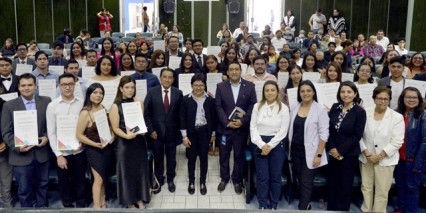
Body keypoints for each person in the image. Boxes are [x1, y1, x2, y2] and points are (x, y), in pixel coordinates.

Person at [1, 73, 51, 207]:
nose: (27, 88)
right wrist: (17, 146)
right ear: (18, 87)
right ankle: (26, 209)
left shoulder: (46, 101)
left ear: (36, 86)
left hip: (42, 152)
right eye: (23, 85)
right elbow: (6, 132)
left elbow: (52, 124)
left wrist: (46, 137)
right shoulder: (9, 105)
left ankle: (42, 208)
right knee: (24, 189)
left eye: (30, 85)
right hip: (20, 155)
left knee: (43, 184)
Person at [359, 86, 404, 212]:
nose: (382, 101)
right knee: (366, 187)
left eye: (385, 99)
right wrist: (366, 152)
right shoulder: (365, 112)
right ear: (374, 99)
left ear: (389, 100)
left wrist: (378, 156)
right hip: (366, 157)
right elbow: (358, 135)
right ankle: (366, 209)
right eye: (379, 98)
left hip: (385, 160)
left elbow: (397, 141)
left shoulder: (396, 117)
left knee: (382, 191)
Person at [108, 76, 150, 208]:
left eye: (132, 87)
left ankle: (139, 199)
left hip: (138, 142)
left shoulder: (139, 102)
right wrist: (126, 136)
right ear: (121, 88)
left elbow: (140, 122)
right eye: (127, 87)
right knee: (126, 173)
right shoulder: (115, 106)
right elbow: (114, 128)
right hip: (124, 143)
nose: (130, 90)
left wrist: (142, 130)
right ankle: (129, 201)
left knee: (140, 171)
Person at [215, 62, 257, 194]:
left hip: (240, 129)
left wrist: (242, 121)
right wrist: (227, 122)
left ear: (241, 71)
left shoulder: (250, 86)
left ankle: (237, 179)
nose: (234, 72)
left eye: (236, 69)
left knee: (239, 155)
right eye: (231, 69)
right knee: (224, 155)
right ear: (227, 72)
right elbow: (218, 106)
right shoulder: (220, 86)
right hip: (225, 128)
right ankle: (224, 178)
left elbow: (252, 106)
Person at [46, 73, 86, 208]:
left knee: (80, 179)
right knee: (64, 181)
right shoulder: (52, 106)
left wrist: (83, 142)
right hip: (63, 152)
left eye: (70, 84)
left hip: (80, 150)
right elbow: (51, 133)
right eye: (64, 84)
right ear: (59, 86)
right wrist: (58, 155)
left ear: (75, 85)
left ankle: (81, 203)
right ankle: (67, 204)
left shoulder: (82, 103)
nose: (67, 87)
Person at [288, 80, 329, 210]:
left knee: (306, 182)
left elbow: (324, 135)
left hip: (311, 152)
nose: (305, 93)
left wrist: (318, 155)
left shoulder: (320, 109)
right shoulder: (295, 106)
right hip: (295, 151)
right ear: (299, 93)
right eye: (302, 91)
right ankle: (307, 203)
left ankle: (303, 207)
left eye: (308, 90)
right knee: (300, 180)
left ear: (313, 92)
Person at [249, 80, 290, 209]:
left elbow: (283, 130)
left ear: (277, 92)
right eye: (267, 90)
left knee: (275, 176)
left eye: (273, 90)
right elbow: (252, 128)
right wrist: (262, 145)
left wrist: (270, 145)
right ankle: (262, 203)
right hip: (259, 143)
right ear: (263, 92)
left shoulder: (284, 108)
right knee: (263, 177)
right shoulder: (257, 106)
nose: (270, 92)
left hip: (277, 144)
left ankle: (273, 204)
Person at [327, 81, 366, 211]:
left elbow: (357, 136)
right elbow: (329, 130)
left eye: (349, 92)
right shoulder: (334, 107)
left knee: (344, 186)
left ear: (355, 94)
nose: (345, 94)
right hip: (332, 152)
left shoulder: (360, 112)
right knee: (332, 183)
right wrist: (333, 149)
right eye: (343, 91)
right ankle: (331, 209)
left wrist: (340, 150)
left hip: (349, 155)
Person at [144, 68, 183, 194]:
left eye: (170, 77)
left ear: (173, 79)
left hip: (172, 132)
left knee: (172, 158)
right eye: (164, 77)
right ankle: (159, 179)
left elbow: (180, 115)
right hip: (156, 133)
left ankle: (171, 179)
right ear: (160, 78)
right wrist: (151, 130)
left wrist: (180, 133)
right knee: (158, 158)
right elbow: (146, 114)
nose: (167, 79)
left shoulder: (178, 92)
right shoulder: (151, 92)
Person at [76, 83, 114, 208]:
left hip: (106, 148)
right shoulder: (85, 113)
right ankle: (96, 207)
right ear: (89, 94)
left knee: (103, 177)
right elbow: (79, 135)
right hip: (94, 150)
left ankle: (103, 203)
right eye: (95, 92)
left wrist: (112, 135)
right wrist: (95, 145)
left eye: (101, 93)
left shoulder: (103, 107)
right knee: (98, 179)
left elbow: (108, 127)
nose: (98, 95)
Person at [180, 74, 216, 195]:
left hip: (205, 132)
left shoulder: (210, 100)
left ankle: (202, 182)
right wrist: (184, 137)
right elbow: (182, 118)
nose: (198, 88)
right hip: (191, 133)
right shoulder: (185, 99)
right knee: (191, 159)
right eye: (196, 85)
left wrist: (213, 133)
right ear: (191, 86)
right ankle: (191, 181)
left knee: (204, 158)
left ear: (205, 86)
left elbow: (213, 118)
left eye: (201, 85)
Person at [395, 87, 426, 213]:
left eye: (414, 97)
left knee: (412, 188)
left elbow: (425, 140)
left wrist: (418, 162)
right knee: (400, 186)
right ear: (402, 99)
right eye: (408, 97)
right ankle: (401, 209)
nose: (411, 100)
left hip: (413, 159)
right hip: (398, 158)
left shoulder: (423, 115)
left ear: (420, 100)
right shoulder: (396, 114)